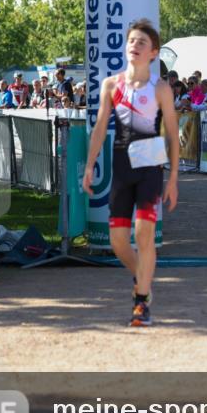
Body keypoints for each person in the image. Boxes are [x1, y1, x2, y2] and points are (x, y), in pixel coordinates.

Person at [82, 18, 180, 328]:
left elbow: (173, 133)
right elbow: (100, 127)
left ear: (154, 53)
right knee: (118, 242)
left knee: (144, 233)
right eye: (131, 41)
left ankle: (140, 303)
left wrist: (174, 178)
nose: (134, 46)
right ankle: (144, 281)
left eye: (141, 42)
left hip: (150, 164)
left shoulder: (161, 88)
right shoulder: (112, 85)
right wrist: (89, 165)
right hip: (122, 165)